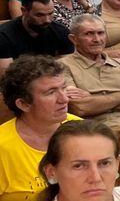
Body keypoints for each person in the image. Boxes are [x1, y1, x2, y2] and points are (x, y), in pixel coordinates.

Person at [0, 55, 81, 200]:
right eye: (51, 92)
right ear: (23, 104)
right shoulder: (3, 147)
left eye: (63, 88)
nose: (64, 99)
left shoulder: (82, 130)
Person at [61, 13, 120, 128]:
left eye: (101, 33)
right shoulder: (62, 66)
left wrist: (95, 101)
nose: (97, 39)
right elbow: (80, 108)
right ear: (73, 39)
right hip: (95, 132)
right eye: (89, 34)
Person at [36, 120, 120, 201]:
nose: (95, 178)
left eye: (104, 163)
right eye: (78, 166)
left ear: (117, 163)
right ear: (51, 172)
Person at [0, 0, 73, 74]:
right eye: (39, 15)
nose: (47, 20)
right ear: (24, 11)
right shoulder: (4, 35)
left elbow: (67, 69)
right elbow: (5, 75)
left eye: (50, 13)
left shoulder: (61, 32)